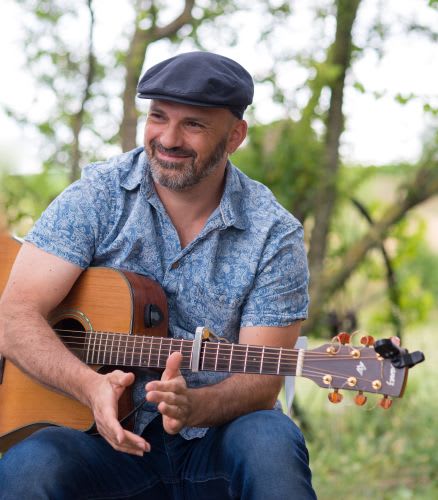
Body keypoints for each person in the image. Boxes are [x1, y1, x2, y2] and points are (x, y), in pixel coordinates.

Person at [0, 51, 316, 499]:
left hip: (215, 443)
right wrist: (89, 386)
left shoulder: (273, 233)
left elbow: (263, 381)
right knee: (31, 465)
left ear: (235, 136)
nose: (168, 139)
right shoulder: (98, 196)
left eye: (194, 124)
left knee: (270, 437)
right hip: (98, 444)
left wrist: (194, 407)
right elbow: (15, 315)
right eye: (158, 117)